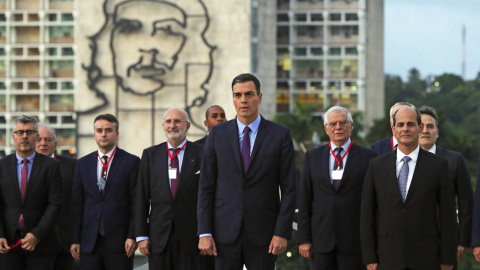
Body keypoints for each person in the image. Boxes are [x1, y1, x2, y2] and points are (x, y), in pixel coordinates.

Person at [80, 0, 217, 147]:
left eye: (167, 31)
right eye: (128, 29)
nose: (148, 46)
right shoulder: (83, 131)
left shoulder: (204, 148)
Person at [197, 73, 296, 269]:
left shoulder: (280, 135)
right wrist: (204, 232)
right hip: (224, 232)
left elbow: (290, 188)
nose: (243, 100)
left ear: (259, 97)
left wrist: (281, 232)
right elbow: (206, 186)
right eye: (238, 95)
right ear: (233, 98)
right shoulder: (217, 135)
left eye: (249, 94)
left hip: (265, 234)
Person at [361, 107, 457, 270]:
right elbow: (367, 214)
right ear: (393, 129)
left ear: (420, 128)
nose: (405, 129)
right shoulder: (377, 166)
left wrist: (447, 260)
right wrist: (370, 257)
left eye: (411, 124)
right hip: (386, 257)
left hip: (427, 257)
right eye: (400, 125)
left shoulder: (438, 166)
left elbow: (448, 216)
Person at [298, 106, 376, 270]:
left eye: (343, 123)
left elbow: (373, 202)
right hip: (321, 240)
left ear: (351, 126)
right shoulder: (312, 157)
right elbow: (304, 200)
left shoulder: (368, 157)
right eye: (333, 124)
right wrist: (304, 239)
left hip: (354, 242)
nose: (338, 127)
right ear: (326, 129)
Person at [135, 108, 213, 269]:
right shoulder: (150, 155)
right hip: (158, 238)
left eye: (178, 121)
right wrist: (141, 235)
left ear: (188, 126)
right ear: (163, 125)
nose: (173, 125)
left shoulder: (203, 153)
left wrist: (207, 233)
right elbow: (141, 197)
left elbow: (210, 196)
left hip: (193, 238)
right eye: (168, 121)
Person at [70, 114, 139, 270]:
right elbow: (77, 203)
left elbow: (137, 203)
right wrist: (75, 239)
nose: (103, 134)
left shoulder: (131, 162)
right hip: (89, 242)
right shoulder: (82, 164)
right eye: (99, 130)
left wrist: (132, 235)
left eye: (108, 130)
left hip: (121, 242)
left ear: (117, 133)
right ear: (94, 133)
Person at [0, 115, 62, 269]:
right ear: (13, 137)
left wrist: (37, 234)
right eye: (20, 132)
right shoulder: (2, 165)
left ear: (36, 136)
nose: (25, 136)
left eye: (29, 132)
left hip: (41, 243)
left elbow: (54, 204)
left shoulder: (52, 166)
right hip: (8, 244)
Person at [418, 106, 473, 267]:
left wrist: (462, 241)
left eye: (430, 126)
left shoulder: (455, 160)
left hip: (446, 244)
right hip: (410, 243)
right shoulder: (402, 162)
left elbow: (466, 204)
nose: (425, 131)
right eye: (420, 126)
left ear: (437, 132)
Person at [36, 124, 77, 270]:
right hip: (32, 242)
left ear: (55, 144)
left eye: (48, 139)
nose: (43, 143)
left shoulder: (73, 166)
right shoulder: (22, 166)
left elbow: (79, 202)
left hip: (63, 241)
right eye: (38, 139)